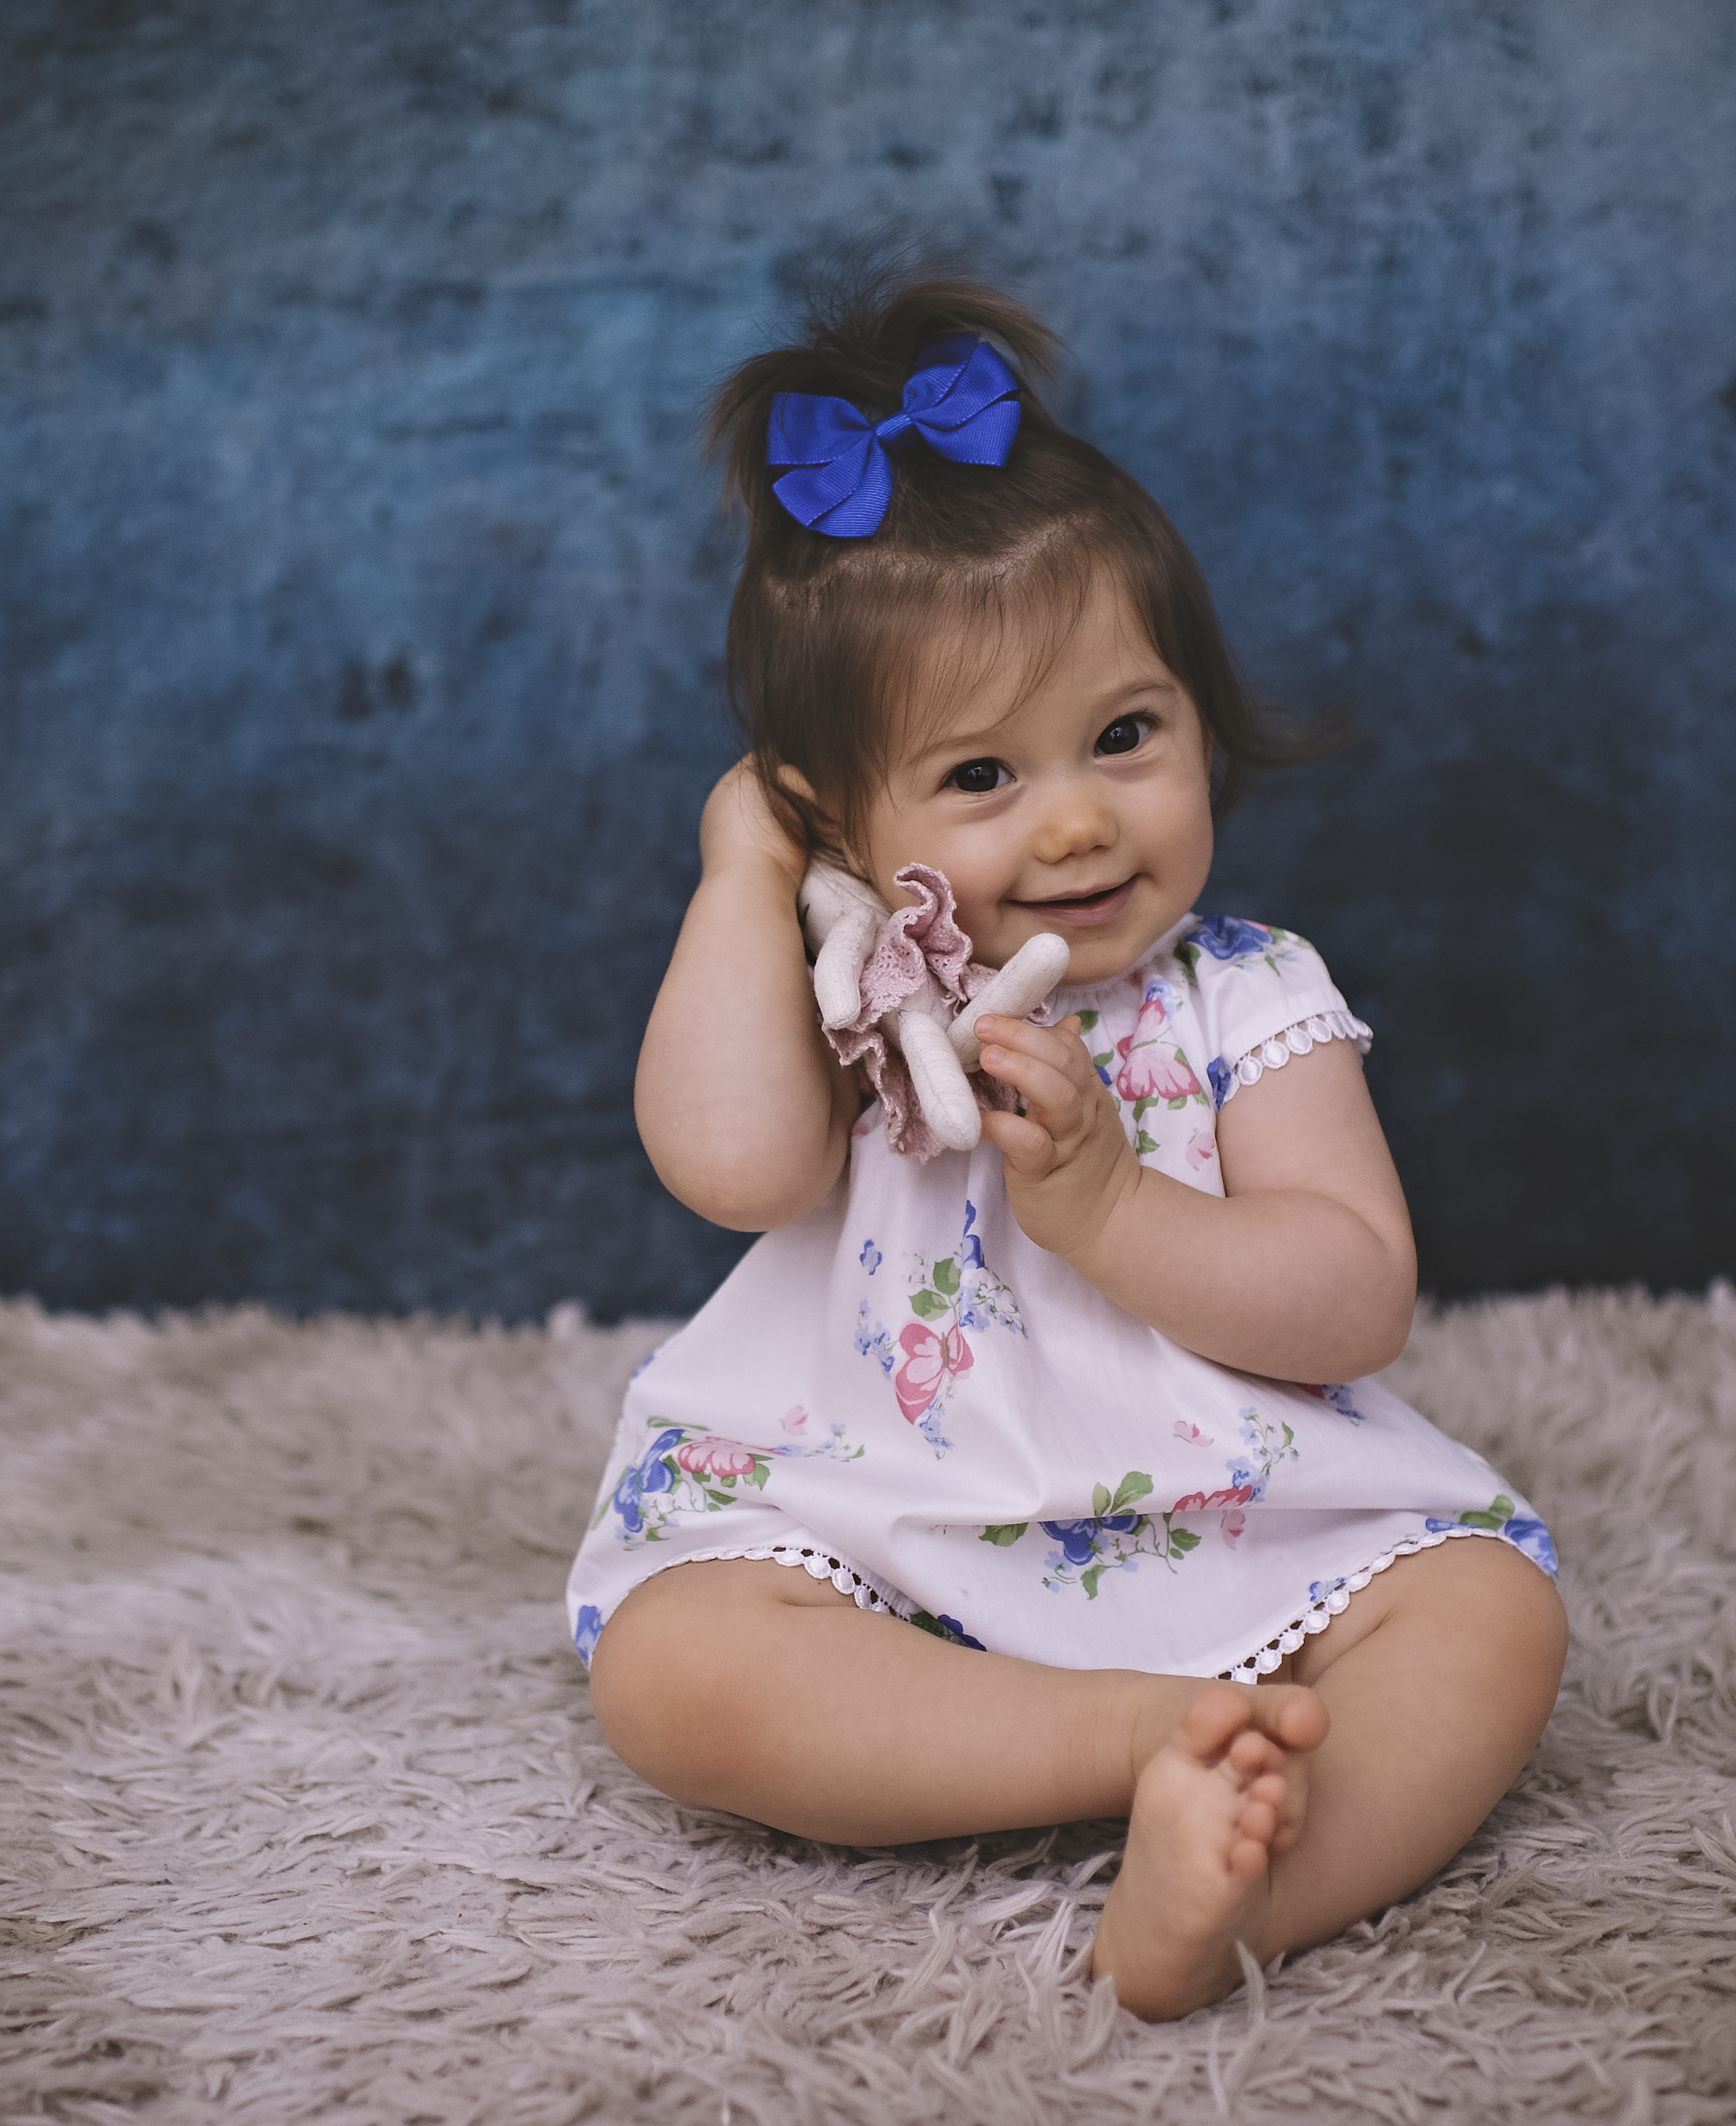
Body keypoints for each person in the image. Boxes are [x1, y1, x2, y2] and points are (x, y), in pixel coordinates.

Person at [569, 271, 1568, 2021]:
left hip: (1225, 1508)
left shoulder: (1243, 992)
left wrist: (1111, 1206)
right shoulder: (856, 993)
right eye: (980, 777)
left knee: (1491, 1617)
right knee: (673, 1672)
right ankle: (1132, 1735)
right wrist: (743, 873)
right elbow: (735, 1170)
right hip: (882, 1511)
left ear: (1196, 711)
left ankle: (1239, 1887)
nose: (1081, 819)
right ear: (838, 814)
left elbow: (1353, 1299)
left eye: (1124, 734)